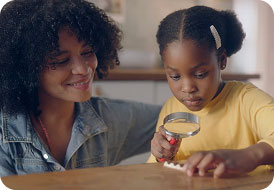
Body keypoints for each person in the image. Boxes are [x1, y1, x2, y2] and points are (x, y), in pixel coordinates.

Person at [0, 0, 161, 177]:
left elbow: (176, 117)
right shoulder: (5, 133)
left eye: (87, 52)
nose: (83, 69)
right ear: (26, 67)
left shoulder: (109, 119)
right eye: (61, 60)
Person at [148, 5, 274, 178]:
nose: (187, 88)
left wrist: (250, 155)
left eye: (200, 74)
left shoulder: (246, 99)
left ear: (222, 61)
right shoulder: (172, 108)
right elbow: (160, 171)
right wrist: (161, 155)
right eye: (175, 76)